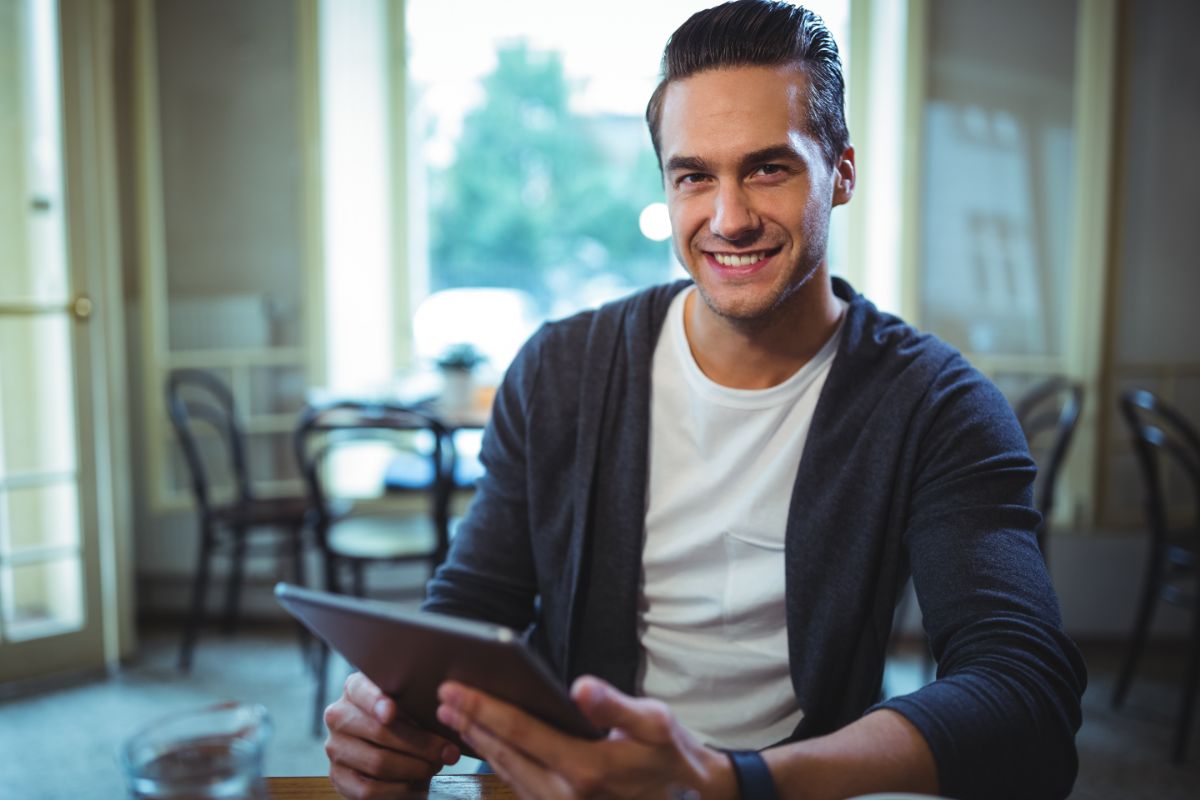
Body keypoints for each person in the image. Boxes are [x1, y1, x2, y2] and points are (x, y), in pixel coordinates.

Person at [323, 2, 1087, 798]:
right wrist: (392, 710)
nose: (728, 219)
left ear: (842, 172)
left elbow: (1024, 695)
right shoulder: (559, 370)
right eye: (695, 176)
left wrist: (730, 782)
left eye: (767, 168)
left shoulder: (938, 406)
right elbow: (475, 606)